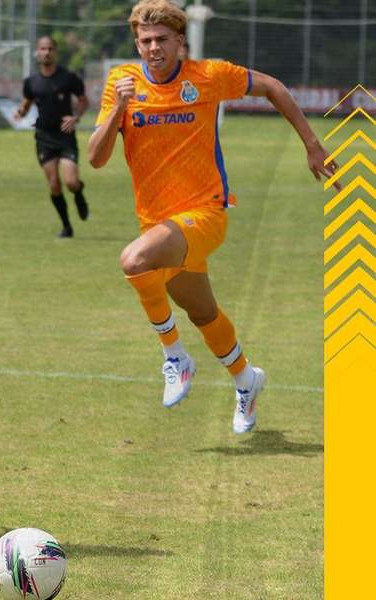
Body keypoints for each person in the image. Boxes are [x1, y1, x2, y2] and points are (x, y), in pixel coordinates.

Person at [87, 0, 337, 433]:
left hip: (205, 214)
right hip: (159, 226)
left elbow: (274, 87)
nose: (153, 48)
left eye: (162, 39)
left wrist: (312, 144)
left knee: (133, 261)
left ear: (180, 42)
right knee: (203, 313)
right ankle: (246, 379)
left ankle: (174, 356)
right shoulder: (120, 84)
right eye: (145, 41)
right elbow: (96, 157)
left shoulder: (208, 76)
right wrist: (115, 112)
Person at [15, 36, 90, 238]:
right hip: (44, 137)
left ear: (55, 52)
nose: (46, 52)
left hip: (65, 136)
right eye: (42, 49)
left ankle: (79, 193)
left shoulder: (68, 77)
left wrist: (76, 117)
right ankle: (66, 226)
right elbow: (28, 101)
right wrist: (21, 111)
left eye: (50, 49)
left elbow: (83, 101)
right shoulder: (31, 81)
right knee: (54, 184)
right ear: (37, 52)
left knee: (71, 182)